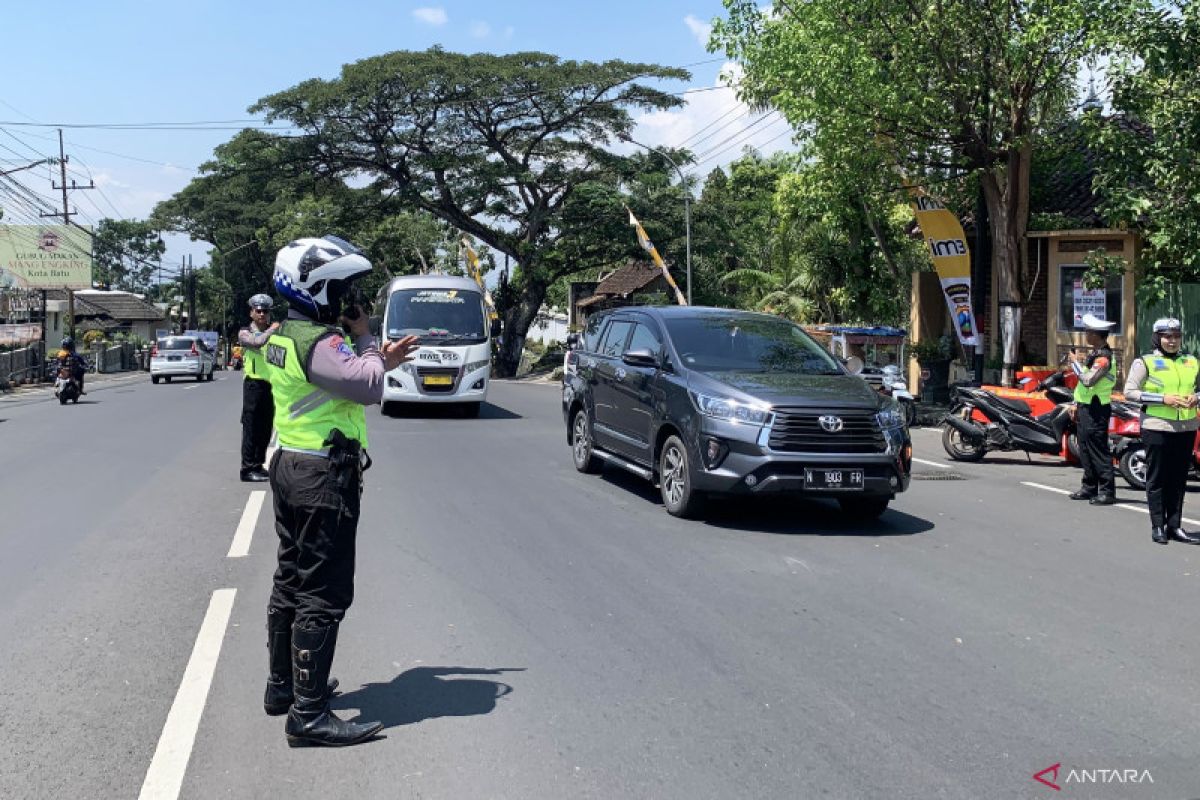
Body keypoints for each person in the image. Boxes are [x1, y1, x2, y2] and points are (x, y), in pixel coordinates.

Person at [261, 235, 419, 747]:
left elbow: (341, 384)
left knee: (290, 576)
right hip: (322, 477)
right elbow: (368, 387)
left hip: (290, 465)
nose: (352, 300)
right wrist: (370, 343)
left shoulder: (285, 333)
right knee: (323, 591)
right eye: (343, 289)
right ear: (315, 289)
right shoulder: (322, 342)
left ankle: (282, 687)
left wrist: (373, 359)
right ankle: (308, 714)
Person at [1123, 318, 1200, 545]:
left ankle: (1174, 526)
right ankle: (1158, 526)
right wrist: (1163, 399)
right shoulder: (1144, 362)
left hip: (1185, 427)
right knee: (1157, 477)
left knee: (1178, 479)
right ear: (1158, 338)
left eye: (1176, 336)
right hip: (1156, 426)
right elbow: (1130, 392)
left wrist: (1196, 398)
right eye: (1167, 336)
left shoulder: (1191, 361)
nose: (1172, 341)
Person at [1067, 313, 1118, 505]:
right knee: (1086, 449)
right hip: (1085, 407)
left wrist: (1074, 363)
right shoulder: (1095, 354)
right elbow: (1082, 388)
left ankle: (1107, 491)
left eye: (1088, 332)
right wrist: (1075, 403)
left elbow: (1088, 381)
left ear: (1096, 335)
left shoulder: (1104, 358)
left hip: (1096, 409)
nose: (1085, 335)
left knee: (1098, 449)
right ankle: (1089, 487)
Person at [237, 294, 279, 482]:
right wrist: (272, 330)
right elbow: (257, 342)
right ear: (251, 313)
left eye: (265, 311)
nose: (262, 314)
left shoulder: (274, 334)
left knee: (265, 427)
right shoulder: (245, 332)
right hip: (253, 385)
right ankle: (247, 468)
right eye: (258, 311)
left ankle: (258, 464)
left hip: (270, 385)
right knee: (251, 427)